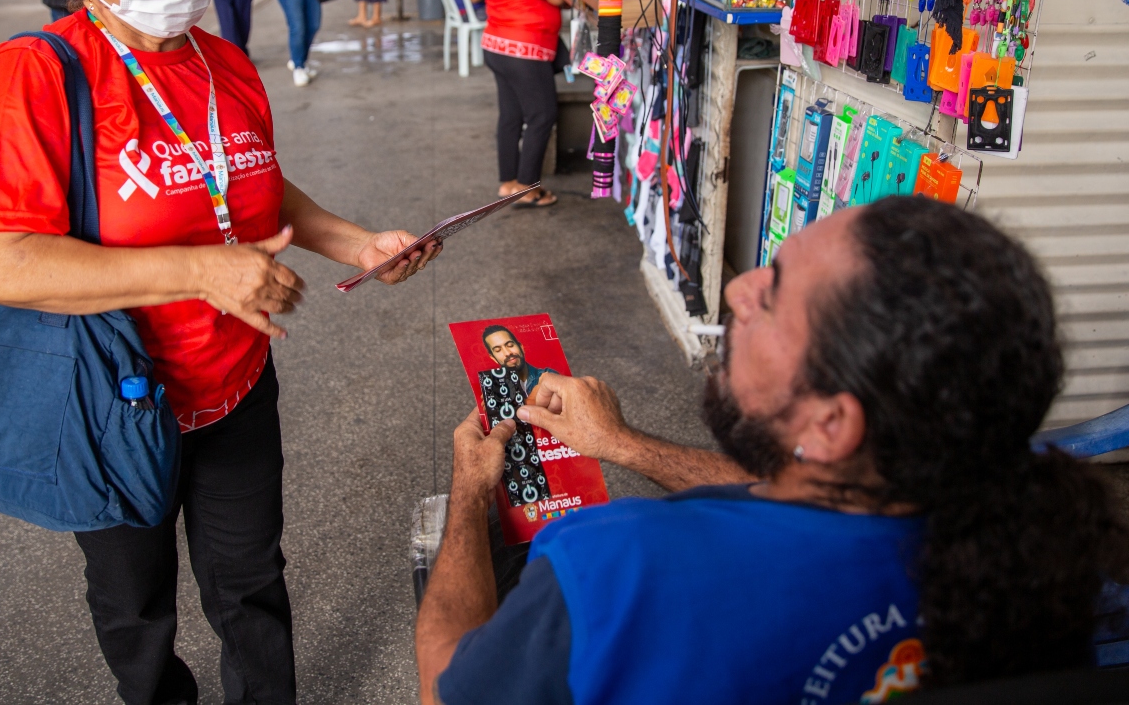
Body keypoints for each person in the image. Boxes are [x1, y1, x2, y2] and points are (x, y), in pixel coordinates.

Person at [0, 0, 440, 705]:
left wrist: (358, 243)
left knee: (252, 585)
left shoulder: (224, 64)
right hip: (113, 401)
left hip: (238, 384)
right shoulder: (34, 74)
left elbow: (253, 182)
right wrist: (201, 275)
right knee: (136, 609)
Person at [416, 197, 1129, 704]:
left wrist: (472, 491)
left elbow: (443, 689)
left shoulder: (614, 565)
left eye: (774, 296)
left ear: (829, 426)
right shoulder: (1037, 543)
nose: (737, 287)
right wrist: (621, 443)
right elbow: (808, 505)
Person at [481, 0, 592, 209]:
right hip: (525, 49)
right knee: (542, 114)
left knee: (511, 116)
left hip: (497, 45)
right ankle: (527, 187)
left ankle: (508, 182)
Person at [481, 326, 555, 397]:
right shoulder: (494, 389)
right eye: (498, 350)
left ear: (521, 347)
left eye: (510, 345)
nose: (508, 353)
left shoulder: (548, 375)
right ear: (493, 358)